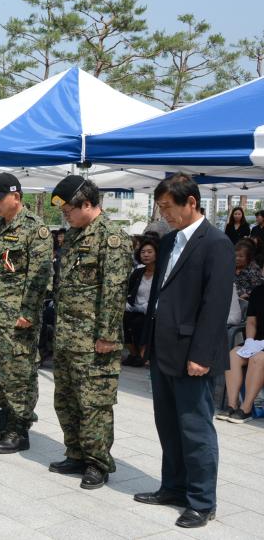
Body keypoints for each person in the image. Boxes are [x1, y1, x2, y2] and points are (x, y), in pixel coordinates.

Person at [134, 173, 233, 529]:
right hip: (163, 349)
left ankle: (202, 501)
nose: (164, 215)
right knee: (168, 425)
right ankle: (173, 487)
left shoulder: (216, 243)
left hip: (193, 353)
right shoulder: (169, 240)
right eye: (160, 208)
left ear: (191, 202)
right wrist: (147, 339)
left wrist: (202, 356)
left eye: (167, 207)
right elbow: (158, 297)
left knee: (195, 429)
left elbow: (215, 304)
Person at [48, 176, 131, 490]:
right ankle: (76, 453)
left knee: (94, 404)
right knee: (66, 399)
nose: (65, 216)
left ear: (86, 204)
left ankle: (97, 463)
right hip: (67, 336)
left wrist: (107, 336)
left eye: (68, 210)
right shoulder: (74, 235)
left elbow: (114, 291)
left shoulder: (112, 237)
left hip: (95, 341)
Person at [0, 172, 52, 454]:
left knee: (18, 376)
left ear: (16, 197)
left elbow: (40, 278)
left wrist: (28, 313)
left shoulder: (35, 229)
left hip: (17, 319)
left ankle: (19, 430)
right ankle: (7, 418)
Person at [221, 283, 264, 423]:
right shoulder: (258, 291)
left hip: (261, 350)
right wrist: (249, 341)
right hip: (257, 341)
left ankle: (246, 408)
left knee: (258, 358)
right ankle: (232, 405)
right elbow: (251, 322)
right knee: (233, 355)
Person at [123, 237, 159, 367]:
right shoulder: (138, 272)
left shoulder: (161, 274)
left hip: (153, 311)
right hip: (135, 308)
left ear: (156, 254)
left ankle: (143, 355)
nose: (146, 255)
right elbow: (128, 291)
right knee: (122, 319)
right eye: (143, 252)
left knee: (140, 323)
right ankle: (133, 354)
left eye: (149, 252)